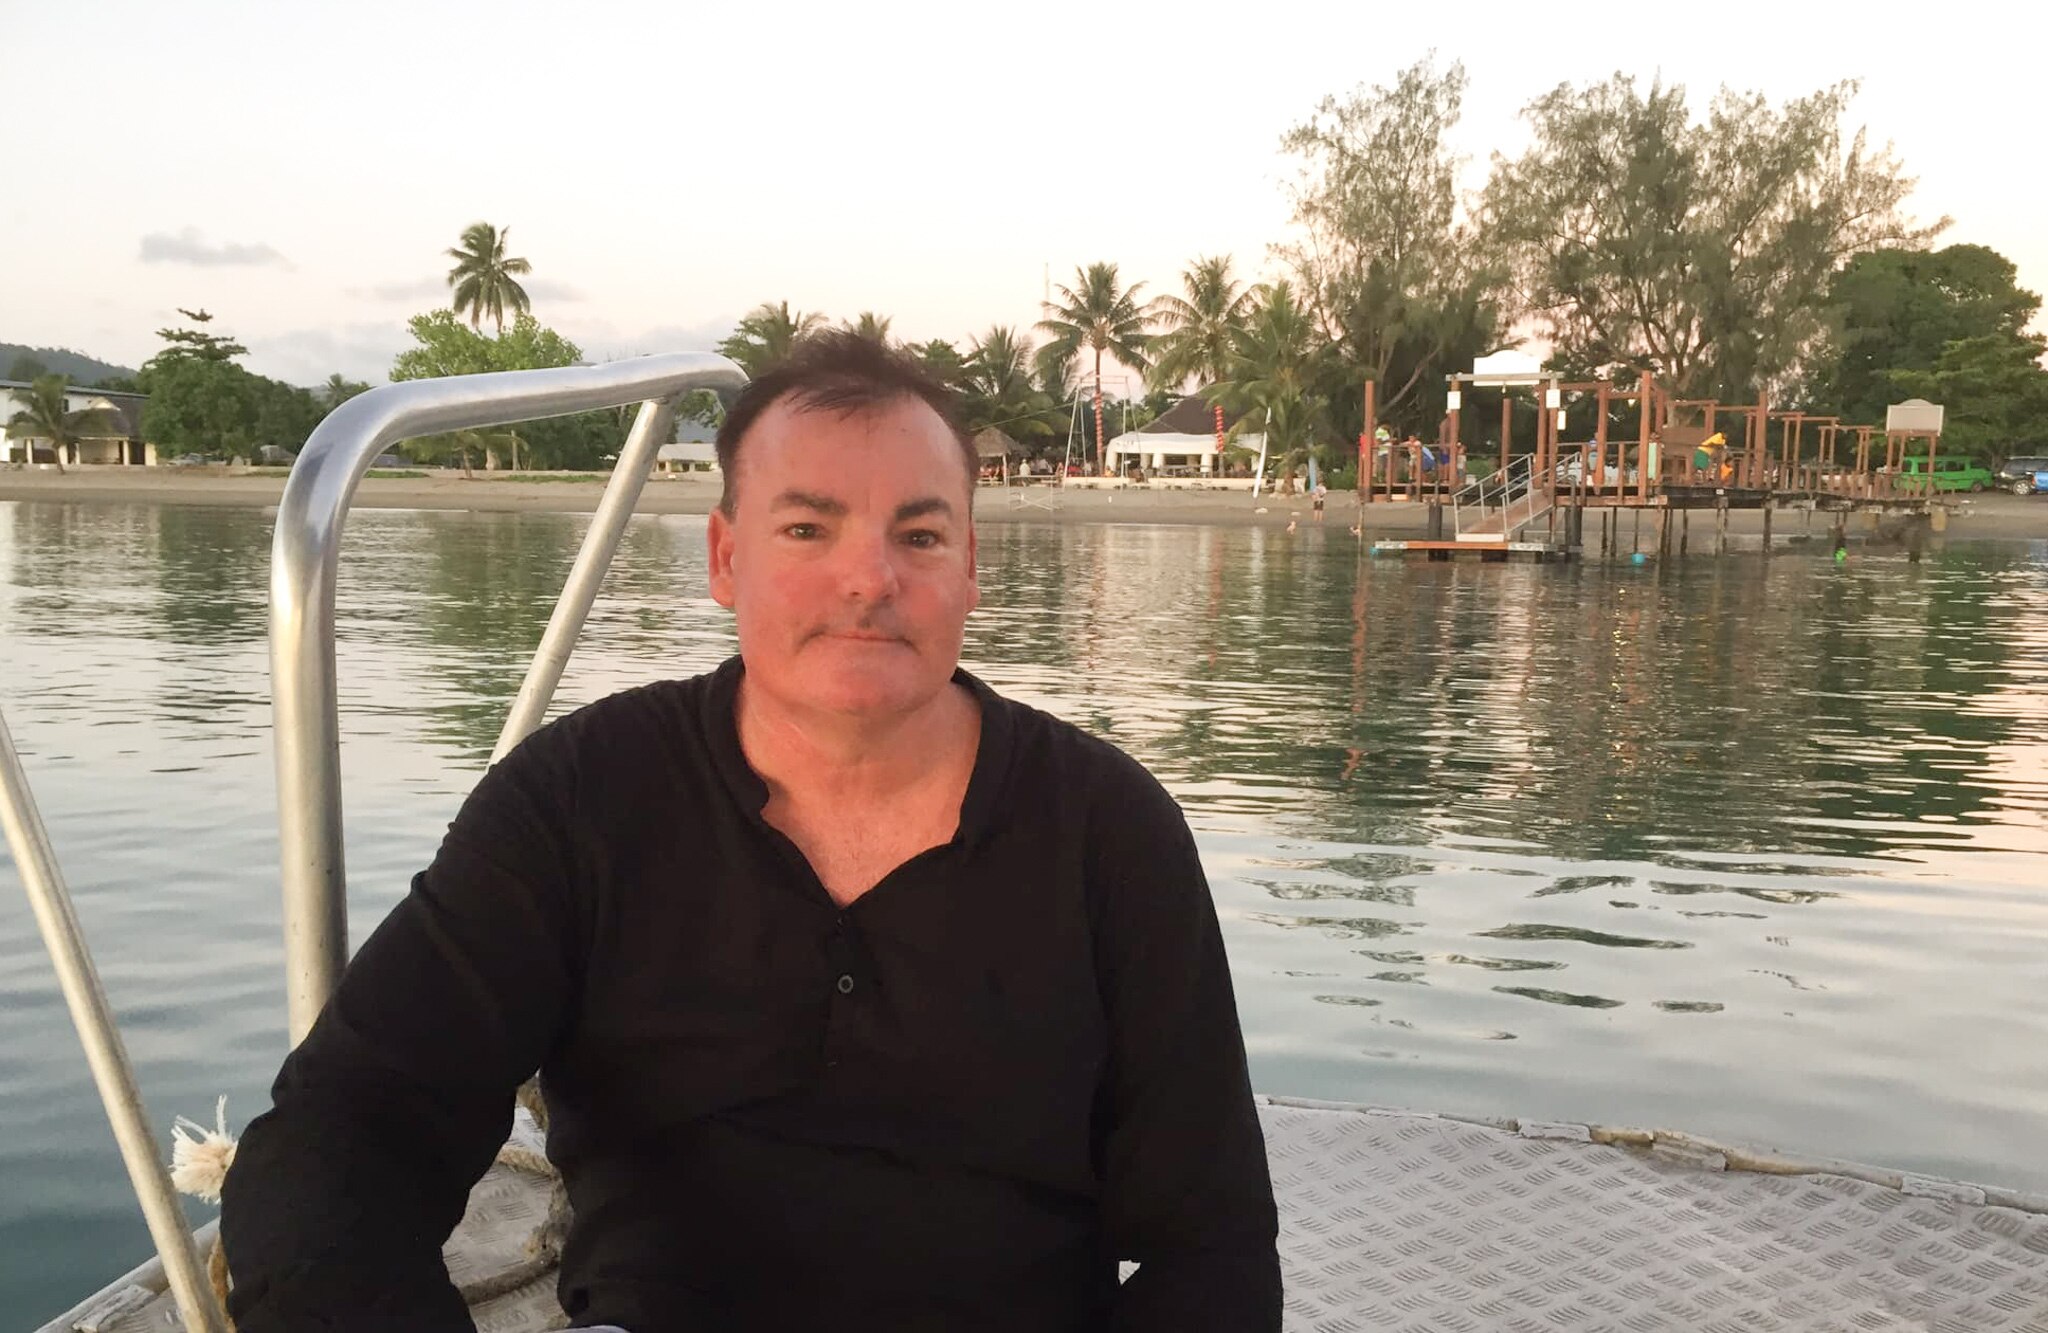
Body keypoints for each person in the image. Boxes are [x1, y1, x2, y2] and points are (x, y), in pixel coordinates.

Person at [220, 333, 1280, 1333]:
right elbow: (345, 1136)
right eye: (807, 529)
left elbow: (1212, 1246)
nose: (869, 579)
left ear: (969, 567)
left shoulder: (1107, 830)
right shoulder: (579, 800)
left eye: (917, 534)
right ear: (726, 558)